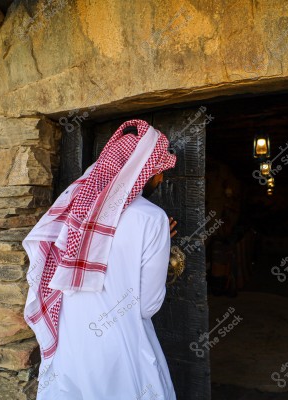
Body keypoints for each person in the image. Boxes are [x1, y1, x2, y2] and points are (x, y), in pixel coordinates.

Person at [22, 119, 178, 399]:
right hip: (123, 351)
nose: (161, 178)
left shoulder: (74, 213)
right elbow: (148, 306)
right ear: (144, 169)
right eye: (160, 170)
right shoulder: (152, 219)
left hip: (72, 348)